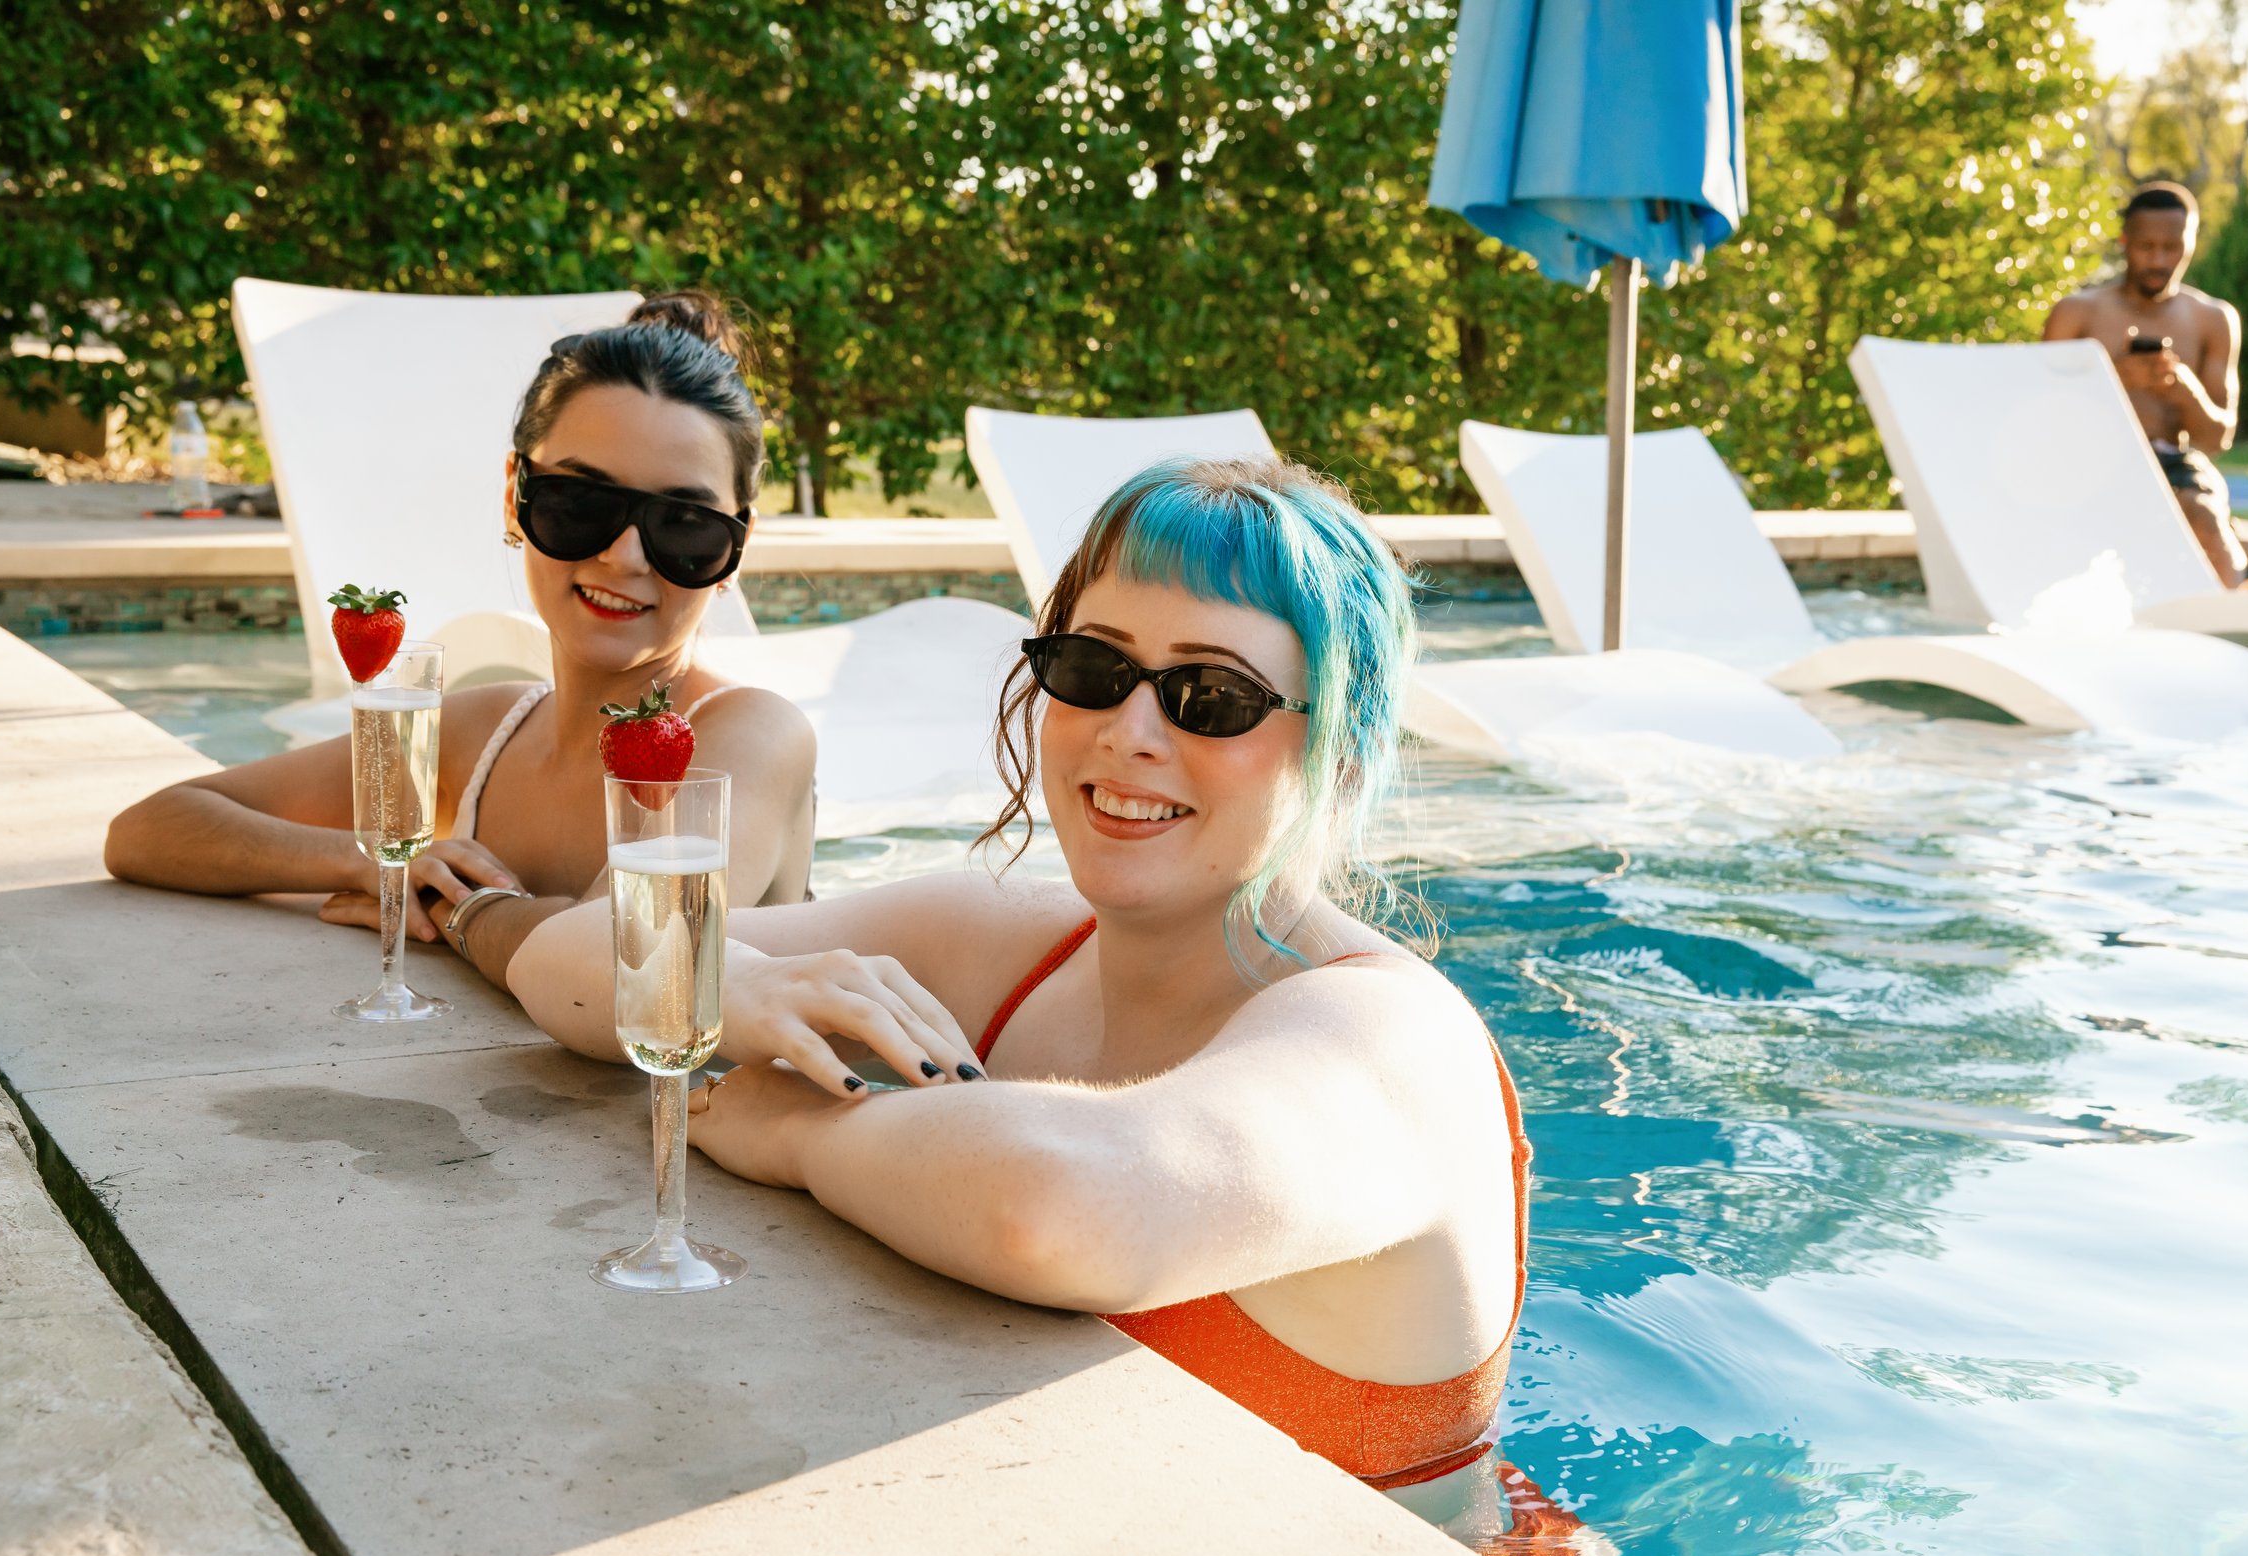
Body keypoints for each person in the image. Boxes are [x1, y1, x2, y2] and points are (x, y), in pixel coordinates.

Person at [509, 456, 1532, 1494]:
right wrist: (735, 989)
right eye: (1094, 667)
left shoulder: (1396, 1042)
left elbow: (1059, 1211)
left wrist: (798, 1131)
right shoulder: (1002, 943)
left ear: (1343, 748)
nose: (1129, 733)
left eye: (1211, 696)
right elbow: (569, 950)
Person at [104, 292, 815, 992]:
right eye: (581, 504)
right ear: (514, 496)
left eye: (684, 524)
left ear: (737, 546)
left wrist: (458, 909)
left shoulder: (751, 737)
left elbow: (631, 971)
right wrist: (374, 863)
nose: (624, 557)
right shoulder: (484, 736)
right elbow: (150, 829)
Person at [2044, 179, 2248, 586]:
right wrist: (2113, 379)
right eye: (2145, 247)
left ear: (2191, 244)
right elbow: (2040, 418)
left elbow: (2217, 439)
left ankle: (2238, 614)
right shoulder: (2077, 313)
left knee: (2205, 519)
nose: (2158, 260)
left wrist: (2183, 389)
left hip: (2173, 467)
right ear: (2124, 242)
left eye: (2172, 247)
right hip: (2088, 462)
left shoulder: (2214, 320)